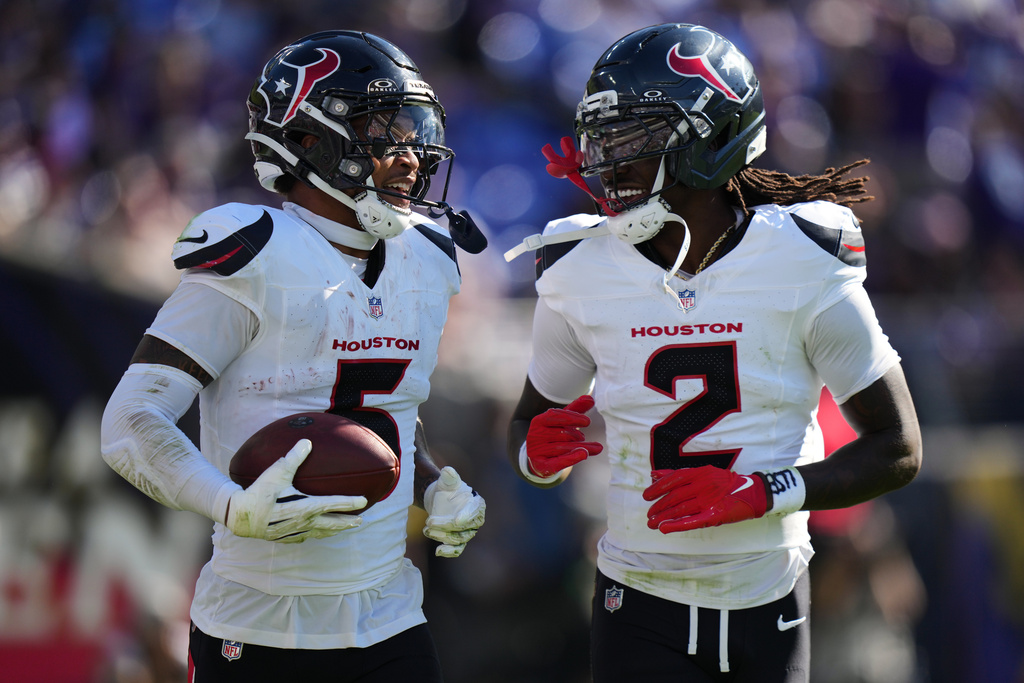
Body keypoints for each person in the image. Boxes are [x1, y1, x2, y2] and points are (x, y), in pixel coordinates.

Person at [505, 23, 922, 683]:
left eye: (633, 137)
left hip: (771, 598)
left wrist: (763, 492)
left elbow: (898, 447)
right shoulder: (576, 263)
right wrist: (535, 454)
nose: (608, 159)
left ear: (711, 137)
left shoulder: (801, 256)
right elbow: (530, 425)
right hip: (638, 597)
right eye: (601, 136)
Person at [100, 30, 486, 683]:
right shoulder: (254, 251)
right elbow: (131, 420)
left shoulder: (429, 256)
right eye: (384, 131)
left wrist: (430, 481)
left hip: (390, 616)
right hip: (260, 625)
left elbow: (381, 409)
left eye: (414, 130)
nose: (413, 157)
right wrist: (229, 503)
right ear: (306, 139)